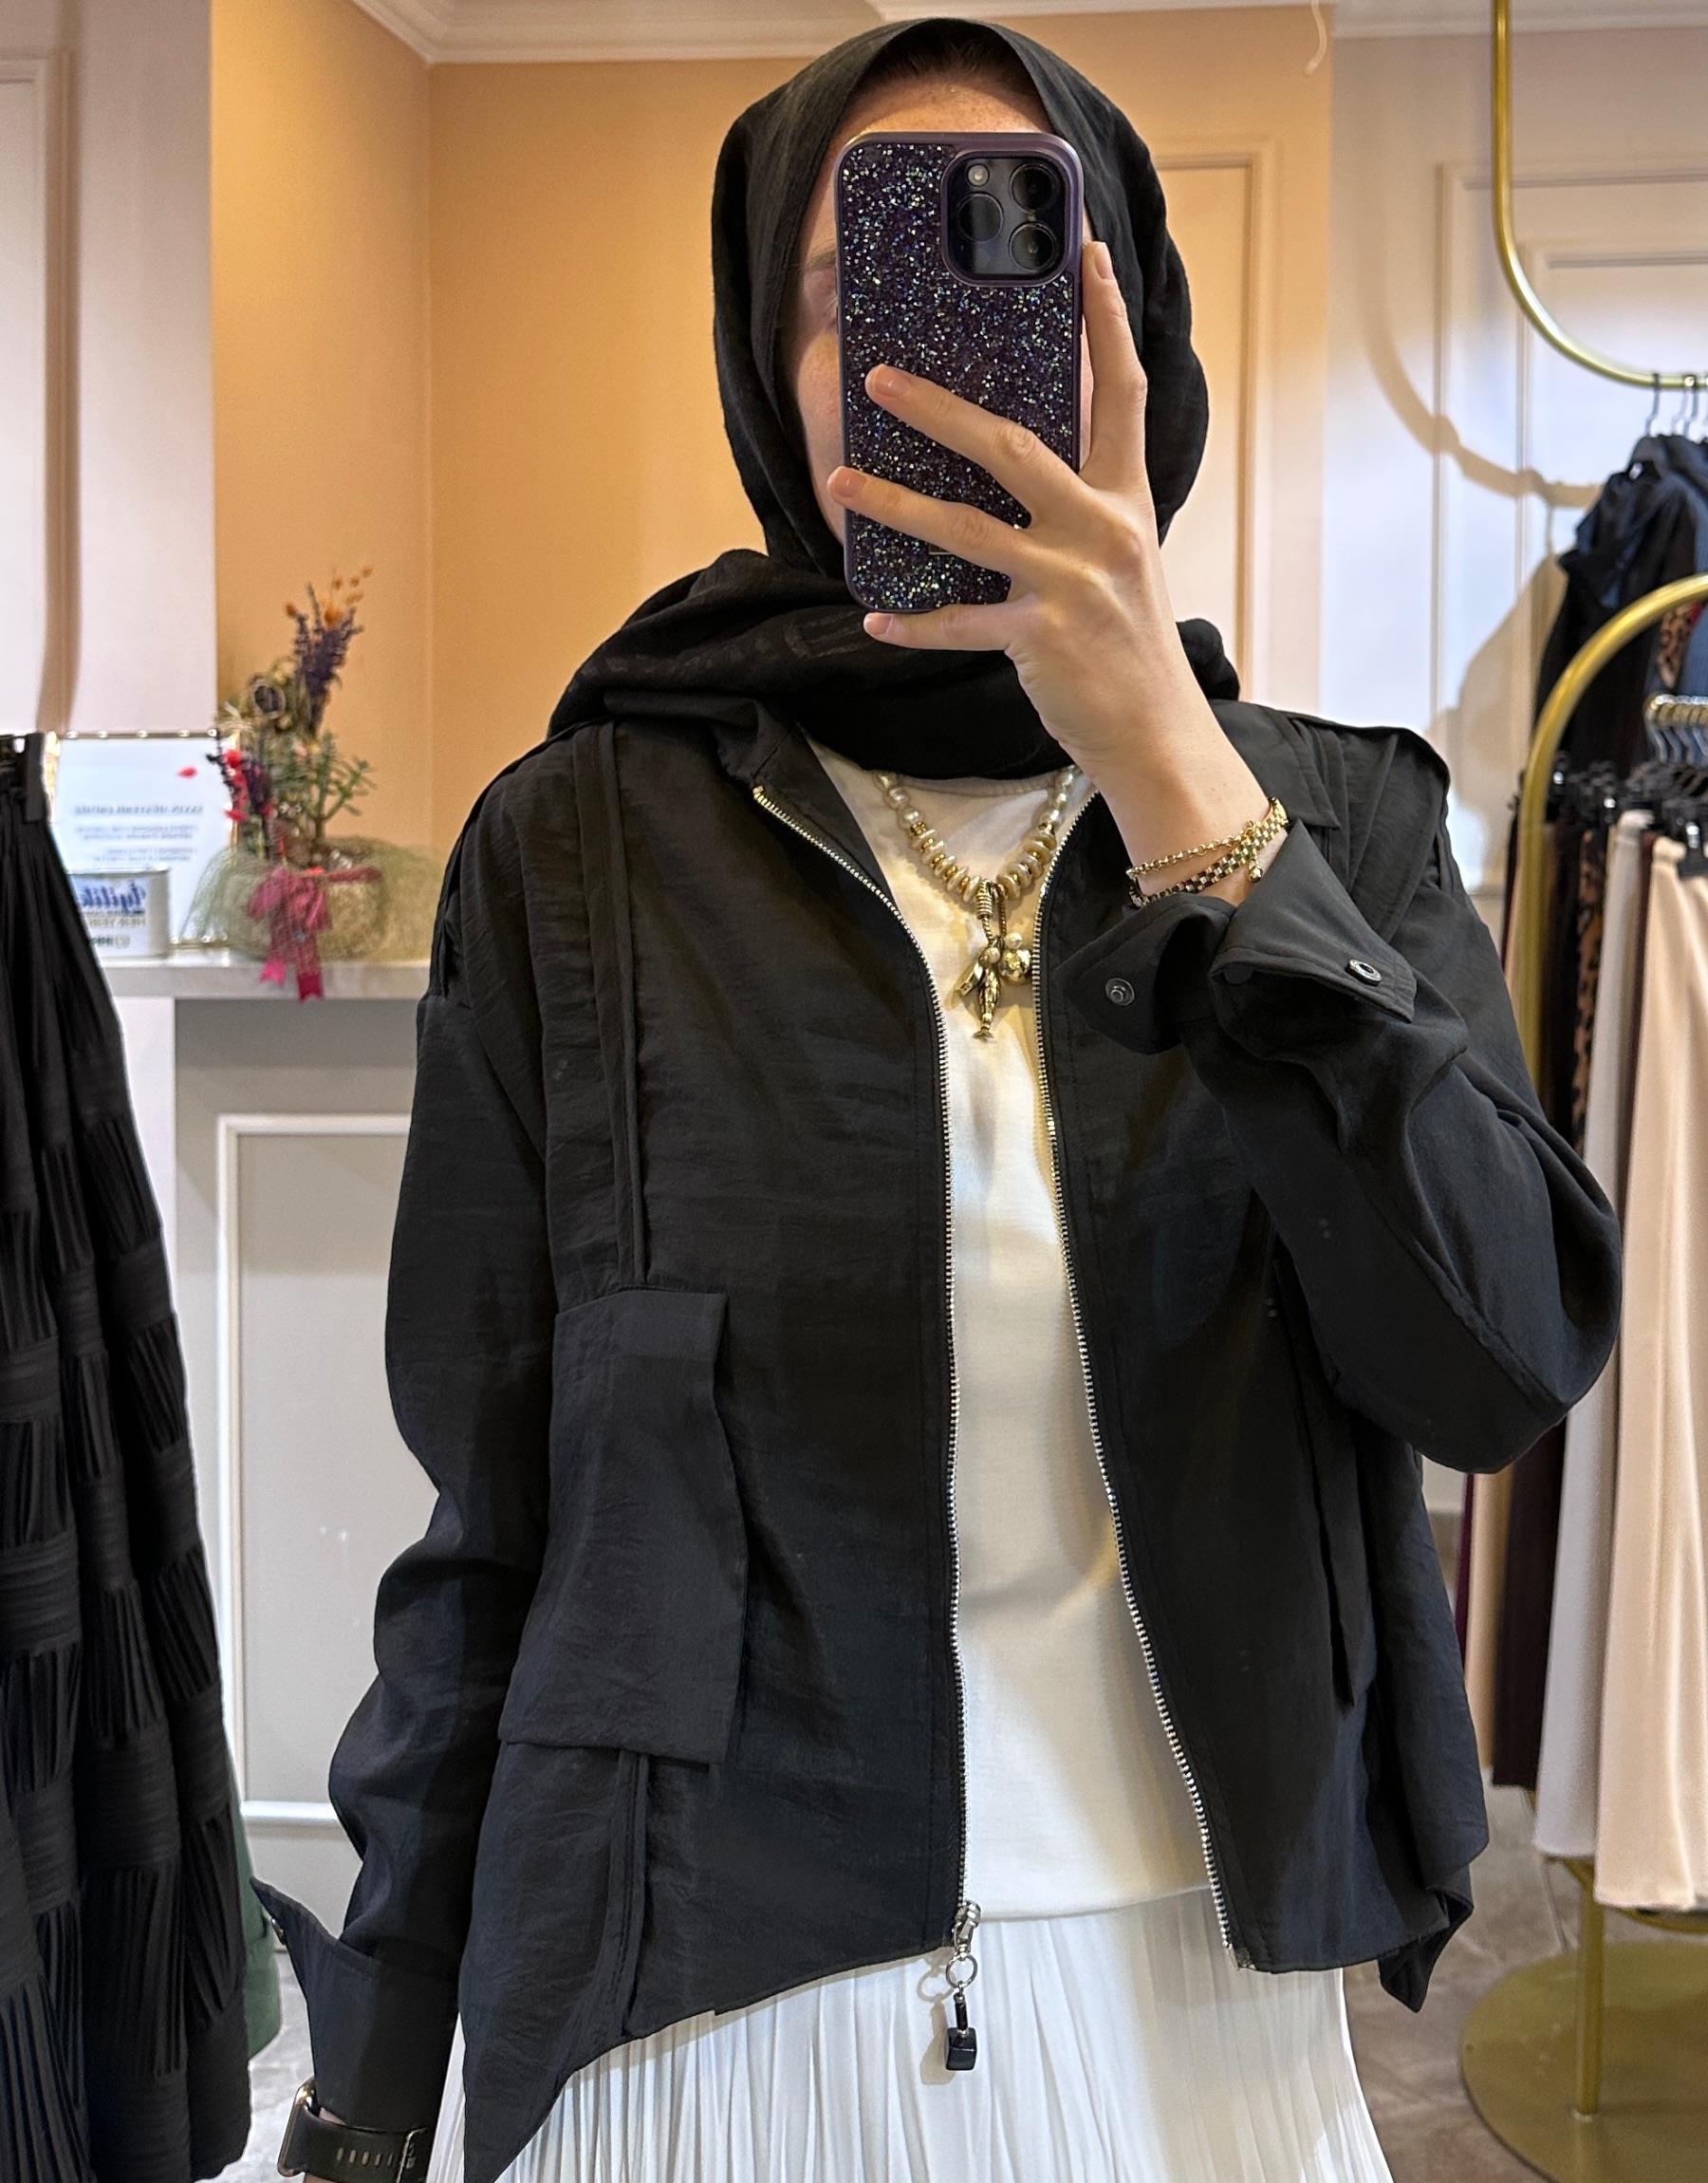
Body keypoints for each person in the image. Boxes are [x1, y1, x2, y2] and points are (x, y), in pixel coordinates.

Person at [252, 17, 1622, 2183]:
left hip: (1199, 1990)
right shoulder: (583, 846)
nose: (929, 350)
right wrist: (372, 2075)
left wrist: (1176, 774)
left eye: (1028, 260)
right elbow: (493, 1515)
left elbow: (1499, 1358)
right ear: (766, 375)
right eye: (849, 292)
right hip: (695, 1993)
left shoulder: (1329, 828)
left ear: (1137, 338)